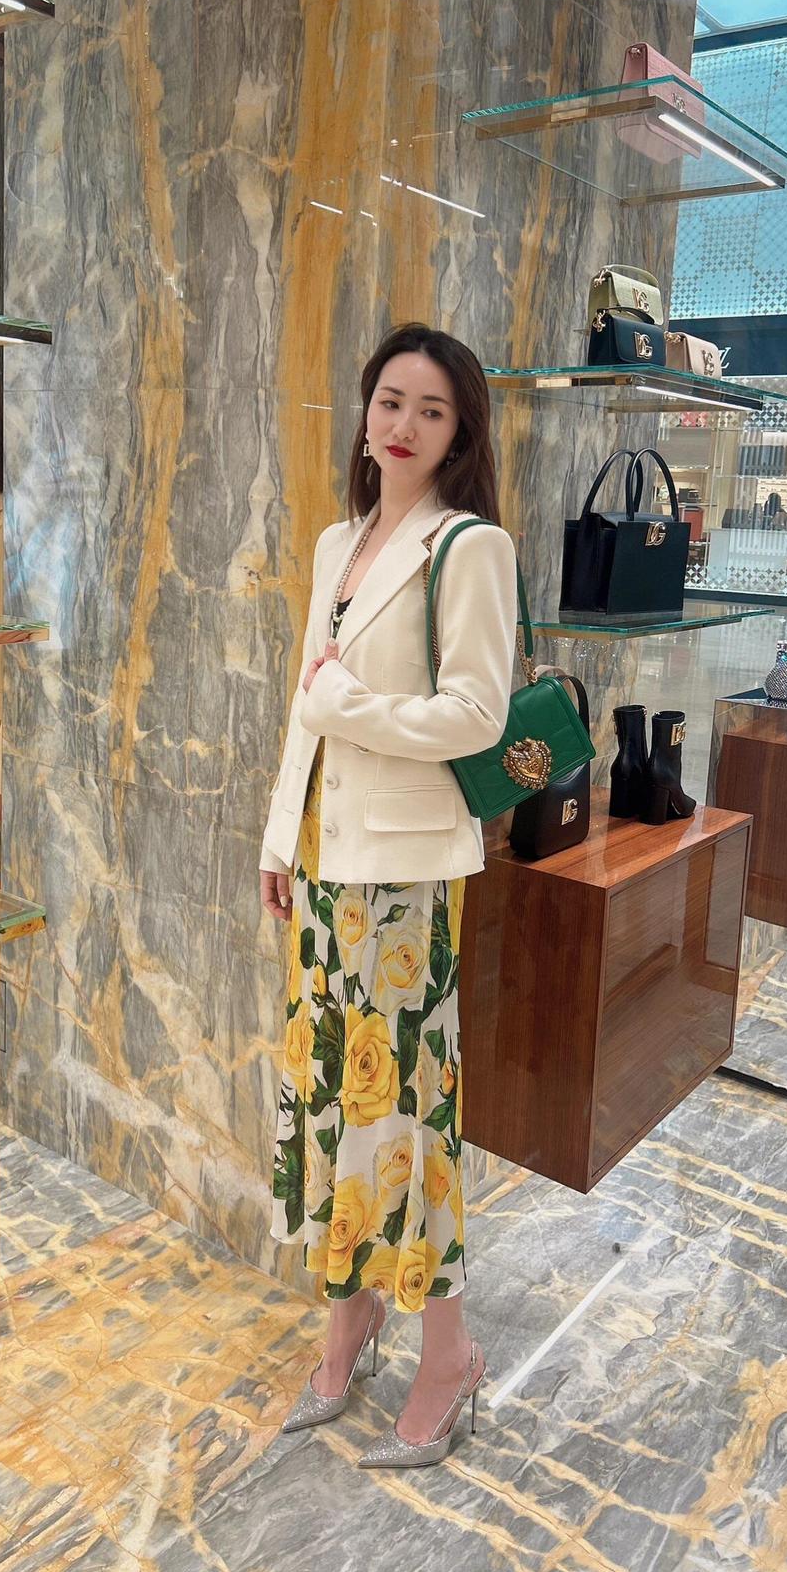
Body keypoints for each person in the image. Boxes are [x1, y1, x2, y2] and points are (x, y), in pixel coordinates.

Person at [258, 323, 518, 1468]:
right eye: (388, 400)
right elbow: (301, 706)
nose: (402, 423)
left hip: (404, 875)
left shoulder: (469, 546)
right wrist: (279, 834)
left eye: (430, 408)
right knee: (331, 1097)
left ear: (457, 434)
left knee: (407, 1114)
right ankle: (350, 1312)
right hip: (323, 860)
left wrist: (347, 709)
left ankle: (447, 1352)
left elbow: (477, 714)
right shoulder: (338, 540)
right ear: (363, 412)